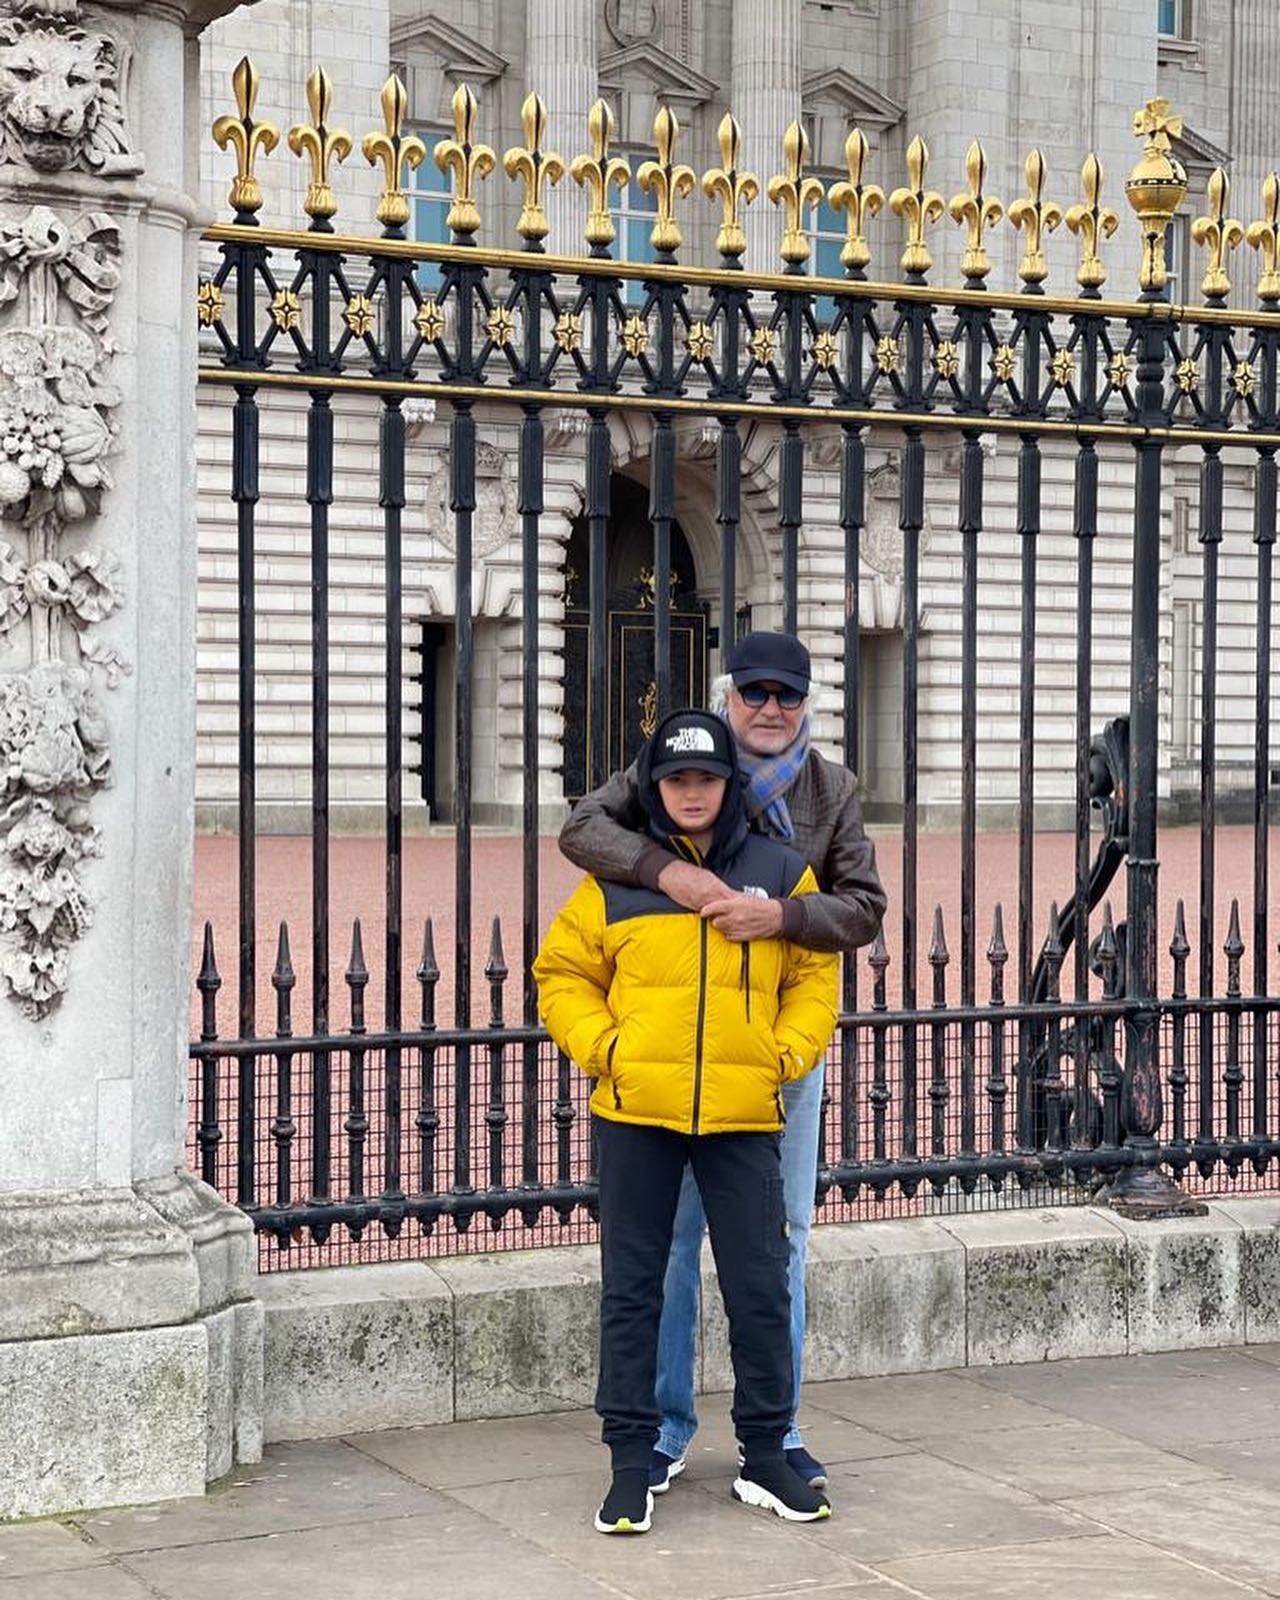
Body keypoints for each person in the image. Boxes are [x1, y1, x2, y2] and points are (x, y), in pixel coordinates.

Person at [559, 631, 886, 1493]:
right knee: (667, 1245)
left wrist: (780, 920)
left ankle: (775, 1427)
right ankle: (664, 1427)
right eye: (755, 693)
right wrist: (673, 876)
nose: (770, 709)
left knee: (779, 1244)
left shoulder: (831, 789)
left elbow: (862, 911)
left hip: (769, 1049)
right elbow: (582, 829)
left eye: (788, 695)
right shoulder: (674, 763)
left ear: (806, 703)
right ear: (729, 695)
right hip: (664, 1054)